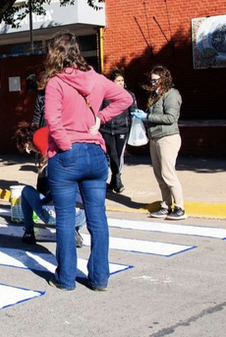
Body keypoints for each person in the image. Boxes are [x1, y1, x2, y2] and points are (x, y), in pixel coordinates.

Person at [42, 31, 132, 291]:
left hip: (66, 155)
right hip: (95, 154)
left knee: (66, 219)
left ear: (56, 53)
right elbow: (124, 99)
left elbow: (53, 120)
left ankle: (66, 278)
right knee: (97, 219)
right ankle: (99, 278)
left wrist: (66, 146)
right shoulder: (97, 79)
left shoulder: (56, 83)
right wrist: (100, 119)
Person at [133, 66, 186, 220]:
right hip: (155, 138)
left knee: (168, 173)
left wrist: (147, 117)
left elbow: (171, 118)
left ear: (164, 79)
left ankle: (180, 207)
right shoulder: (155, 95)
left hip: (167, 137)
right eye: (152, 80)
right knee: (159, 174)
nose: (153, 82)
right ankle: (166, 204)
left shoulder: (171, 94)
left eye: (156, 80)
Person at [20, 169, 87, 248]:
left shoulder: (49, 168)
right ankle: (73, 230)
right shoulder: (79, 168)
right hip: (79, 216)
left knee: (26, 190)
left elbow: (42, 194)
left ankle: (29, 232)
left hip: (54, 214)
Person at [99, 70, 137, 193]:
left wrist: (131, 130)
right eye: (117, 81)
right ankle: (116, 180)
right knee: (111, 154)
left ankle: (116, 179)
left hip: (122, 129)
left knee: (118, 155)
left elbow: (133, 114)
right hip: (107, 129)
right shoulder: (105, 96)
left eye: (122, 80)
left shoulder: (129, 95)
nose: (120, 83)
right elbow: (99, 112)